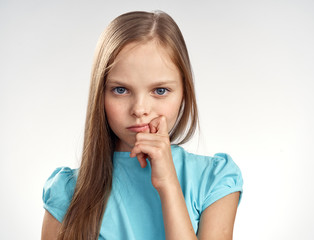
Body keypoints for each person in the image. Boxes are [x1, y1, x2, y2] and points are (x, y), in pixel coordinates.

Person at [41, 10, 243, 240]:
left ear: (184, 93)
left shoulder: (214, 180)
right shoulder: (66, 193)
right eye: (121, 90)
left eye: (160, 91)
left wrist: (168, 183)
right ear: (100, 95)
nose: (139, 109)